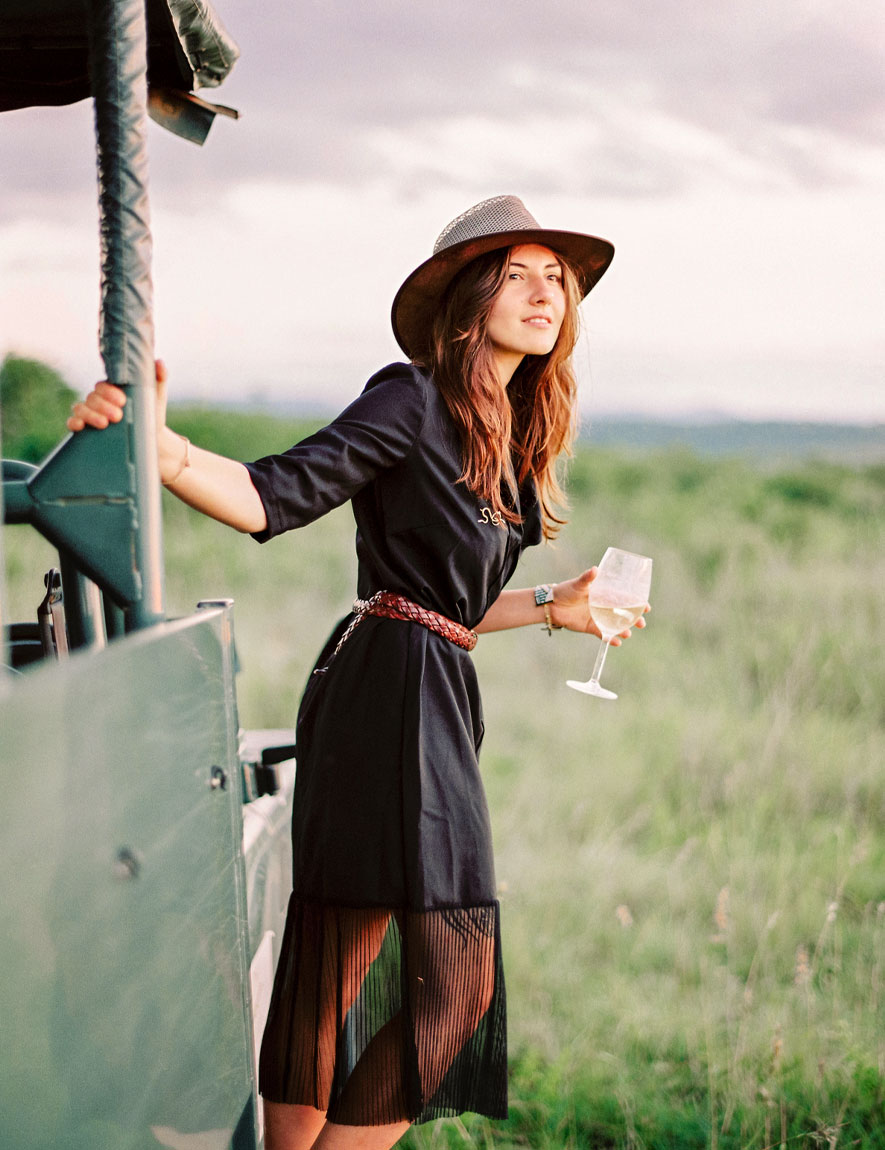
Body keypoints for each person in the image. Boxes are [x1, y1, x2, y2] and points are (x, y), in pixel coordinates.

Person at [68, 194, 647, 1150]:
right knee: (452, 982)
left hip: (426, 683)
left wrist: (554, 603)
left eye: (559, 278)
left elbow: (446, 607)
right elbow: (272, 494)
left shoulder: (507, 428)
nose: (546, 293)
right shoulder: (411, 395)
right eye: (519, 272)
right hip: (389, 693)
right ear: (469, 295)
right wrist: (162, 450)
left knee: (343, 957)